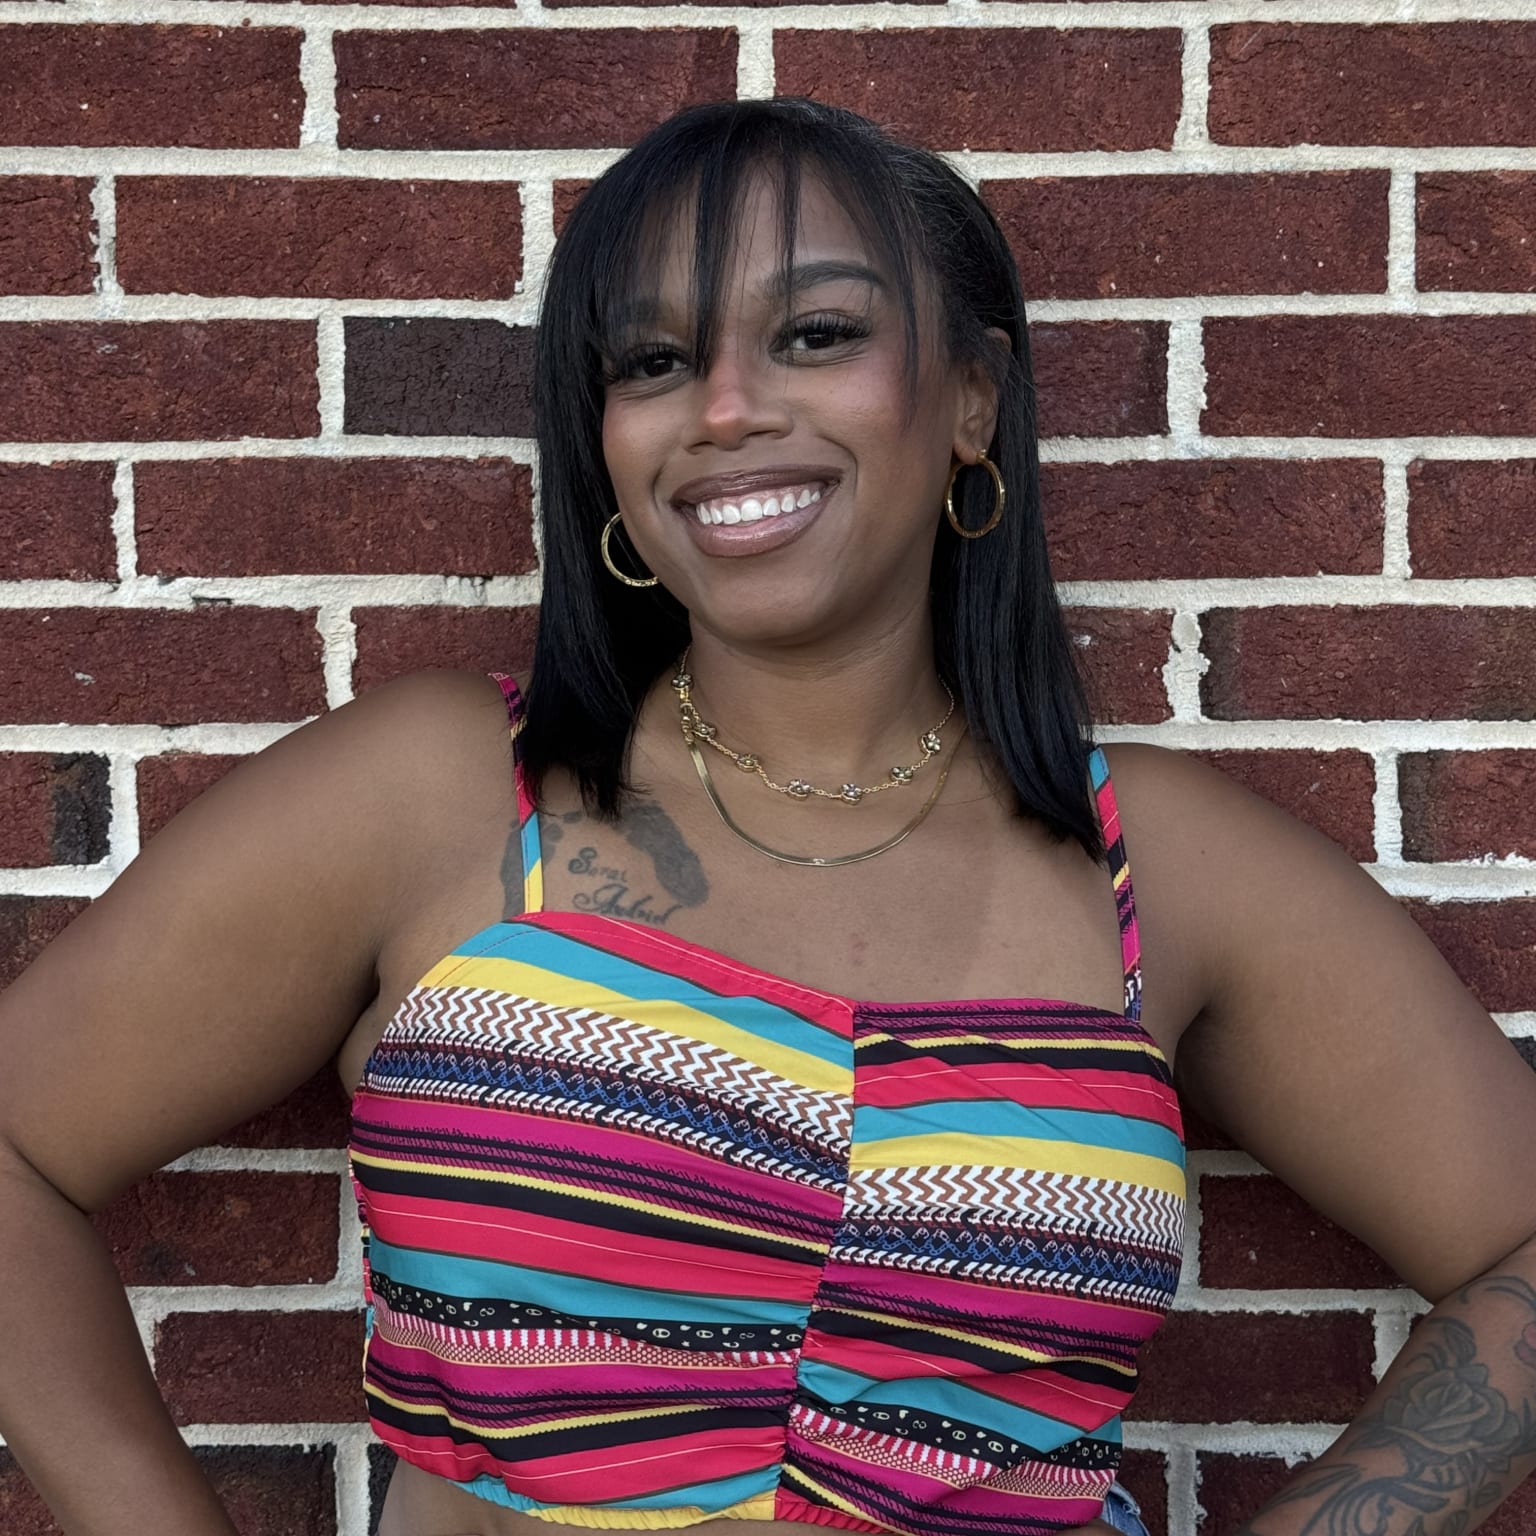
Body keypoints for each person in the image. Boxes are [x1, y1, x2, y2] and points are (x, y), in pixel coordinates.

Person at [2, 95, 1535, 1536]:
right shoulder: (438, 798)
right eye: (654, 360)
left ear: (973, 401)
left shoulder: (1163, 868)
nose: (726, 407)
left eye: (817, 333)